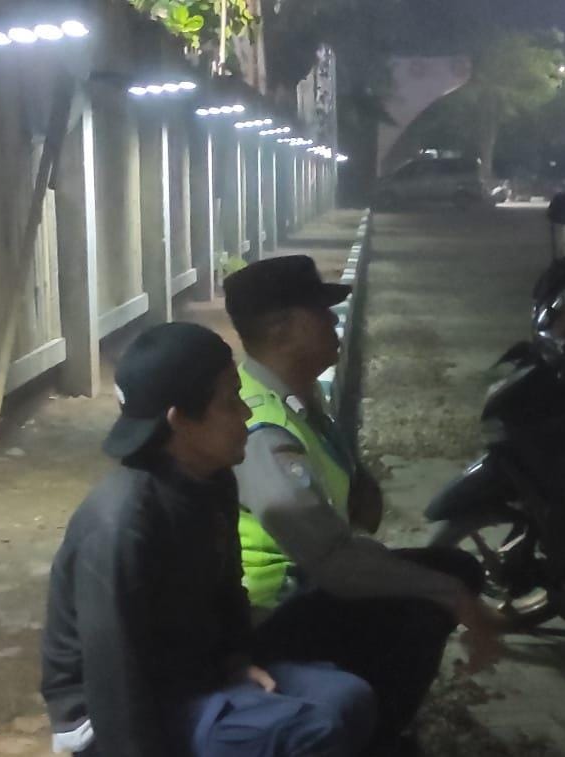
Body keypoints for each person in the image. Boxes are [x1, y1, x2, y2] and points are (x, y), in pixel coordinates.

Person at [40, 322, 376, 757]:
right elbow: (114, 673)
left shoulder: (213, 480)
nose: (247, 413)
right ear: (180, 421)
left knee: (349, 698)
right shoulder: (120, 524)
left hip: (192, 672)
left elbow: (226, 588)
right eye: (231, 402)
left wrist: (236, 661)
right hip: (115, 714)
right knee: (310, 731)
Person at [221, 256, 504, 755]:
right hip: (269, 618)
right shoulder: (263, 427)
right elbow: (334, 564)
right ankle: (372, 737)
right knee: (427, 601)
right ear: (282, 328)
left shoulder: (296, 398)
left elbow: (356, 515)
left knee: (451, 568)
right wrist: (456, 600)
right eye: (319, 312)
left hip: (310, 585)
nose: (333, 322)